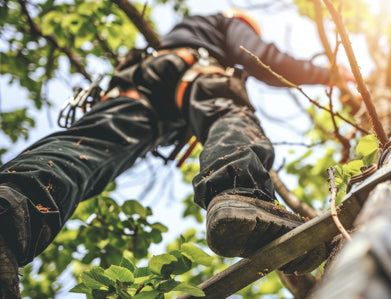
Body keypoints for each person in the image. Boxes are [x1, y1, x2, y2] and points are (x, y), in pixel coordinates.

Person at [0, 8, 353, 297]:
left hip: (139, 82)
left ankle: (11, 206)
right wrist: (332, 74)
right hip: (196, 73)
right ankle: (241, 194)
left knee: (89, 144)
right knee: (226, 115)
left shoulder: (183, 30)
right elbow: (260, 58)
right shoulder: (227, 24)